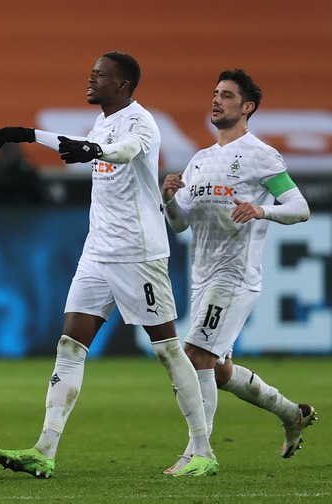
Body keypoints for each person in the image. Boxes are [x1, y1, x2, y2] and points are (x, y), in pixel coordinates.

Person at [0, 51, 217, 478]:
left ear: (123, 85)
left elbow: (124, 152)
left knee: (167, 349)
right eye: (91, 72)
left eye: (100, 75)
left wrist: (93, 148)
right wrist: (29, 134)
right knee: (70, 344)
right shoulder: (103, 120)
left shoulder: (140, 123)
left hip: (138, 252)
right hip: (97, 251)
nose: (91, 79)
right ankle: (45, 449)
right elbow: (81, 145)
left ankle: (202, 450)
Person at [161, 68, 315, 473]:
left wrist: (262, 208)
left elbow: (300, 208)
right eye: (214, 93)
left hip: (235, 276)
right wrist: (170, 200)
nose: (216, 100)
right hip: (203, 277)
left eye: (226, 95)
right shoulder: (200, 160)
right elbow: (180, 223)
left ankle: (200, 453)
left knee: (194, 355)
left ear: (247, 107)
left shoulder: (259, 154)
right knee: (219, 367)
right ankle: (290, 413)